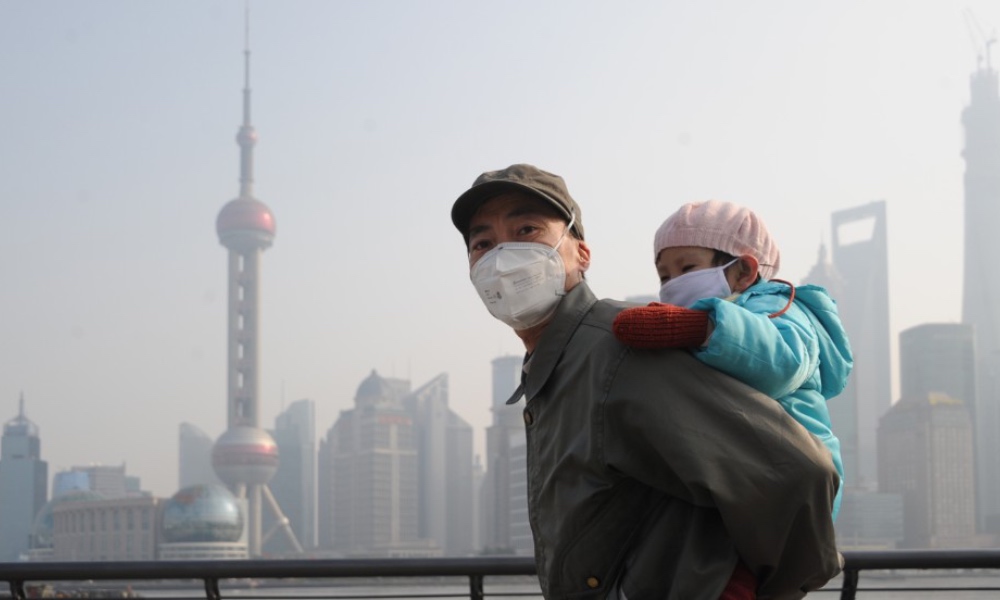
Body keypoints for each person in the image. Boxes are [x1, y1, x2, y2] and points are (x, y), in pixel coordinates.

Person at [451, 164, 842, 600]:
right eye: (483, 243)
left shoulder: (619, 346)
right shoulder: (556, 366)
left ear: (580, 253)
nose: (502, 256)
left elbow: (800, 473)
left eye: (527, 230)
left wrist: (764, 591)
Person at [611, 200, 851, 524]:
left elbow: (783, 364)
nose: (672, 285)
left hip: (791, 476)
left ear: (744, 272)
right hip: (745, 474)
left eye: (687, 269)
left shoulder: (779, 307)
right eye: (664, 275)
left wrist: (704, 327)